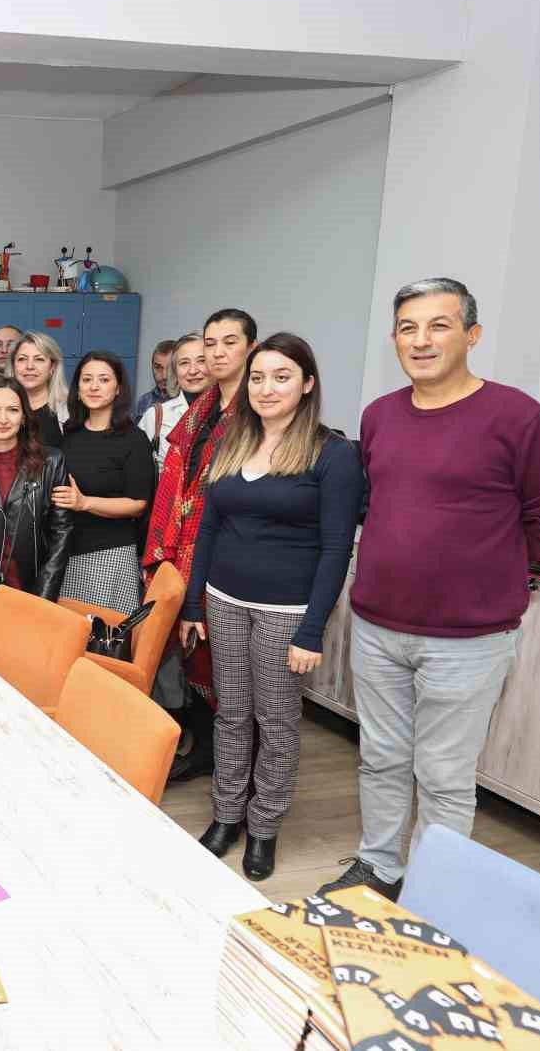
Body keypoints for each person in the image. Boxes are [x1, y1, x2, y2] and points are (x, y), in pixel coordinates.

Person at [320, 278, 540, 900]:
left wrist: (495, 563)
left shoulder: (518, 418)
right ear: (394, 340)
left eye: (438, 325)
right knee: (380, 757)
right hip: (378, 625)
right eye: (407, 328)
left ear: (472, 335)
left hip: (468, 639)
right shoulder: (380, 415)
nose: (421, 340)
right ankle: (379, 867)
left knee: (443, 774)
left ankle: (435, 891)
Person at [177, 335, 364, 881]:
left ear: (307, 384)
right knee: (231, 714)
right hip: (223, 601)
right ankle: (226, 814)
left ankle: (263, 826)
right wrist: (193, 603)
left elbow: (337, 548)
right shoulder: (234, 442)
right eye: (258, 377)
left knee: (276, 722)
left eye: (282, 377)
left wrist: (311, 630)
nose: (266, 388)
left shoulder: (333, 454)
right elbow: (209, 527)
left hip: (287, 611)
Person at [145, 308, 256, 783]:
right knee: (193, 657)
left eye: (230, 342)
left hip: (230, 553)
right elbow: (175, 483)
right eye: (211, 343)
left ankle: (242, 769)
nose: (217, 353)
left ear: (251, 348)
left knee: (230, 671)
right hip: (186, 547)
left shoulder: (256, 412)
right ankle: (210, 753)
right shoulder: (200, 412)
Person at [0, 377, 75, 655]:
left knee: (19, 669)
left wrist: (44, 596)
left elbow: (61, 534)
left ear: (24, 418)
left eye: (13, 410)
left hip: (28, 589)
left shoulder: (51, 461)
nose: (3, 419)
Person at [53, 352, 154, 613]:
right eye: (87, 379)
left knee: (103, 634)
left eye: (104, 379)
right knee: (68, 633)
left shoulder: (133, 439)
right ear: (77, 388)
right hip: (66, 552)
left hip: (109, 553)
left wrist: (85, 502)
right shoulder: (69, 434)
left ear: (118, 388)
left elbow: (138, 504)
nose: (94, 386)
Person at [143, 334, 206, 473]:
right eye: (184, 363)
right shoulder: (156, 416)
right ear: (175, 371)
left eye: (201, 361)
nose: (193, 370)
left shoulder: (229, 415)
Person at [11, 332, 69, 448]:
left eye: (39, 359)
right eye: (22, 359)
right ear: (13, 366)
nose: (30, 366)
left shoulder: (69, 411)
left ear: (52, 367)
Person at [134, 339, 179, 418]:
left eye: (170, 368)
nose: (164, 376)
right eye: (158, 367)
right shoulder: (144, 401)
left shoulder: (189, 400)